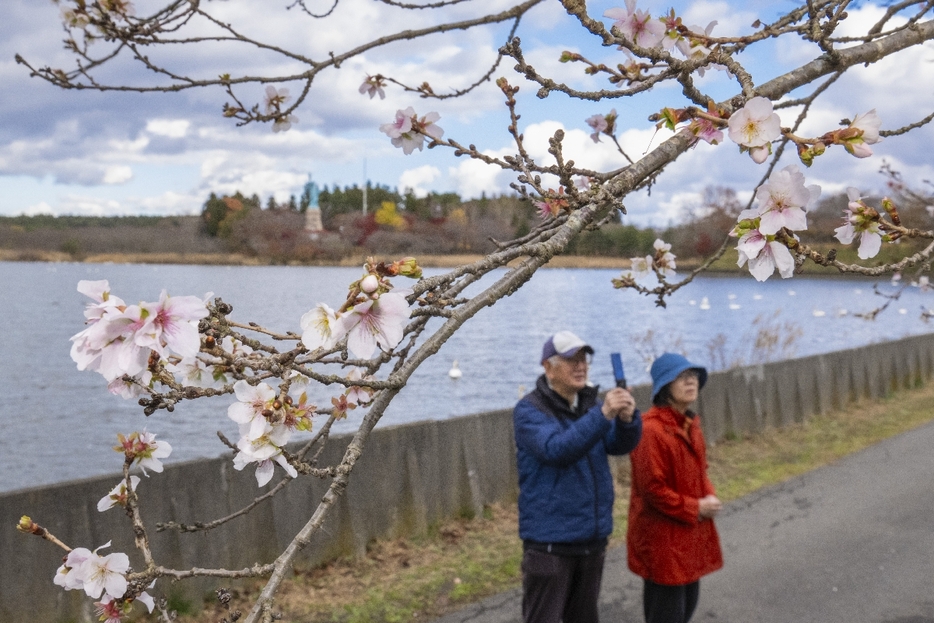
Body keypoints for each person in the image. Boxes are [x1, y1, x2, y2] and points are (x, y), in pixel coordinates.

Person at [514, 330, 642, 623]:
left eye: (584, 359)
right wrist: (604, 413)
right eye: (571, 359)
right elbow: (558, 450)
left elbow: (618, 445)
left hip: (591, 537)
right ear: (548, 366)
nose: (581, 366)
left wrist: (626, 420)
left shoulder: (590, 404)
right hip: (550, 543)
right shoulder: (529, 411)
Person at [626, 353, 724, 623]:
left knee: (686, 609)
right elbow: (652, 490)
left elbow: (700, 471)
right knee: (667, 614)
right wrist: (696, 507)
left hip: (688, 535)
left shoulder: (690, 425)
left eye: (693, 376)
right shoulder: (650, 431)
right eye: (681, 377)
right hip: (663, 543)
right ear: (664, 387)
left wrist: (709, 494)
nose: (690, 381)